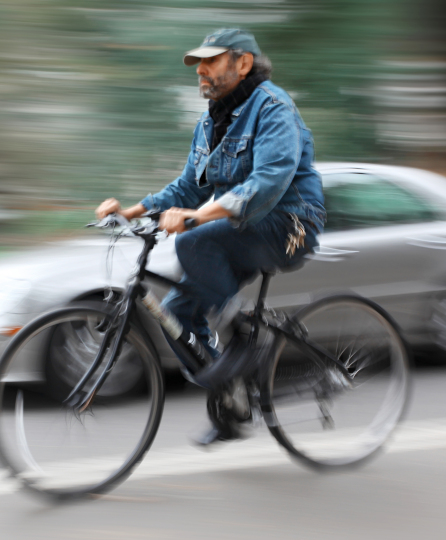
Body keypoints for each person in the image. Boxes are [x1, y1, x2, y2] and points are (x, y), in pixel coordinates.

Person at [95, 28, 326, 445]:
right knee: (178, 315)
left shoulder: (274, 107)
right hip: (244, 230)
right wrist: (133, 210)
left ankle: (241, 339)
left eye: (211, 60)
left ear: (243, 64)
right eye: (197, 63)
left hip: (291, 224)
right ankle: (235, 401)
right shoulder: (209, 124)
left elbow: (269, 181)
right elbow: (188, 188)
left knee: (194, 241)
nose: (200, 69)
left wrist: (197, 218)